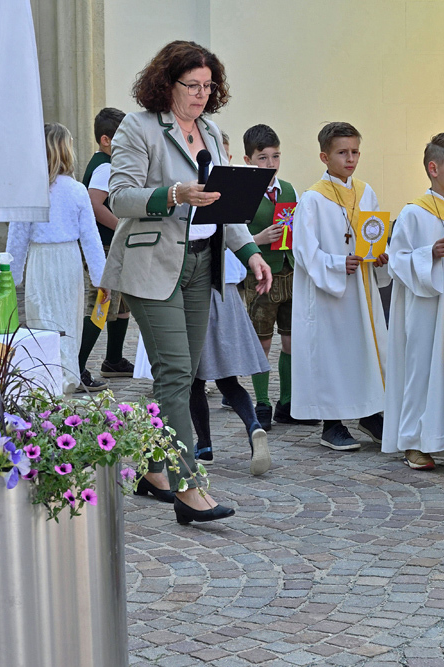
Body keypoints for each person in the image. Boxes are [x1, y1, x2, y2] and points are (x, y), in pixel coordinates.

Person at [104, 40, 272, 525]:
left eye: (208, 86)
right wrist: (174, 193)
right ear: (167, 83)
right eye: (192, 85)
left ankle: (153, 469)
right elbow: (120, 197)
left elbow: (224, 205)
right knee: (177, 372)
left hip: (203, 264)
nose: (201, 95)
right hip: (151, 265)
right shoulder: (138, 127)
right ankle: (188, 487)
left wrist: (250, 253)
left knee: (183, 372)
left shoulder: (212, 131)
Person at [382, 132, 444, 471]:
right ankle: (414, 442)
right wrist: (431, 253)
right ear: (433, 168)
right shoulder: (414, 213)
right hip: (426, 308)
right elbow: (398, 261)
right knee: (421, 371)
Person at [291, 122, 389, 451]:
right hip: (328, 294)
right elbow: (303, 250)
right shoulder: (312, 199)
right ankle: (331, 424)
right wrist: (335, 263)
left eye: (355, 152)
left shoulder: (365, 192)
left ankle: (370, 413)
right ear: (325, 156)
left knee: (364, 348)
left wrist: (379, 255)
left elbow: (373, 234)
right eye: (342, 152)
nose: (350, 159)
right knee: (332, 354)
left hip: (361, 288)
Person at [7, 123, 107, 395]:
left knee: (42, 321)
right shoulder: (76, 190)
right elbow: (91, 238)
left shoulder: (30, 190)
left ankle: (47, 380)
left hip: (41, 261)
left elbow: (18, 237)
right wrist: (101, 278)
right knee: (68, 322)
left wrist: (11, 277)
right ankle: (66, 378)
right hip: (68, 262)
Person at [240, 124, 318, 430]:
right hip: (261, 274)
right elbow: (230, 235)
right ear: (248, 160)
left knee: (291, 339)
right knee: (262, 342)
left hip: (289, 272)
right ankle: (262, 403)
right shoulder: (244, 192)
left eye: (275, 156)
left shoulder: (288, 189)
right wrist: (258, 239)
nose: (270, 163)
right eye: (262, 158)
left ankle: (288, 403)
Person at [188, 247, 271, 474]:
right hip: (229, 295)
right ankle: (253, 426)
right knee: (228, 381)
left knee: (195, 380)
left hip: (197, 293)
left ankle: (204, 445)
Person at [76, 107, 133, 392]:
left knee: (121, 305)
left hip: (112, 244)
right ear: (106, 140)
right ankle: (77, 366)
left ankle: (114, 360)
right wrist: (121, 227)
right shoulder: (106, 166)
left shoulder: (106, 163)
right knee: (101, 304)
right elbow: (94, 203)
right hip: (105, 244)